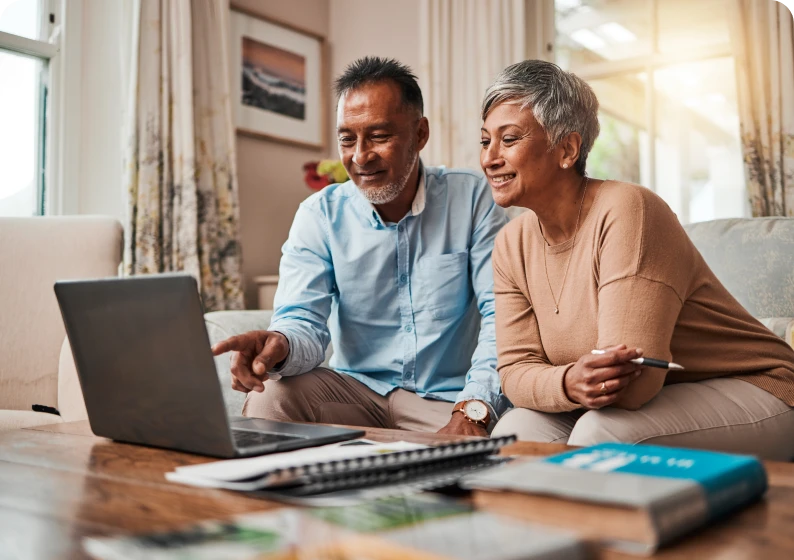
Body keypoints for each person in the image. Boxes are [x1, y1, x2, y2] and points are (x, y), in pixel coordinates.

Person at [481, 59, 794, 460]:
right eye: (484, 140)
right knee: (514, 433)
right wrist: (567, 383)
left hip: (759, 389)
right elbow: (513, 372)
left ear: (567, 149)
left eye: (508, 140)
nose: (490, 157)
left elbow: (633, 385)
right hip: (651, 400)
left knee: (601, 434)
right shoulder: (511, 244)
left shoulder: (629, 210)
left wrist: (569, 382)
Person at [212, 57, 508, 436]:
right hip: (355, 394)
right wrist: (279, 343)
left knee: (512, 436)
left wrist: (473, 410)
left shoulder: (472, 199)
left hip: (448, 400)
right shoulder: (319, 215)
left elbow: (502, 317)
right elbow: (303, 320)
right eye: (347, 139)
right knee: (272, 395)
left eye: (380, 136)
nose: (360, 156)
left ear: (419, 135)